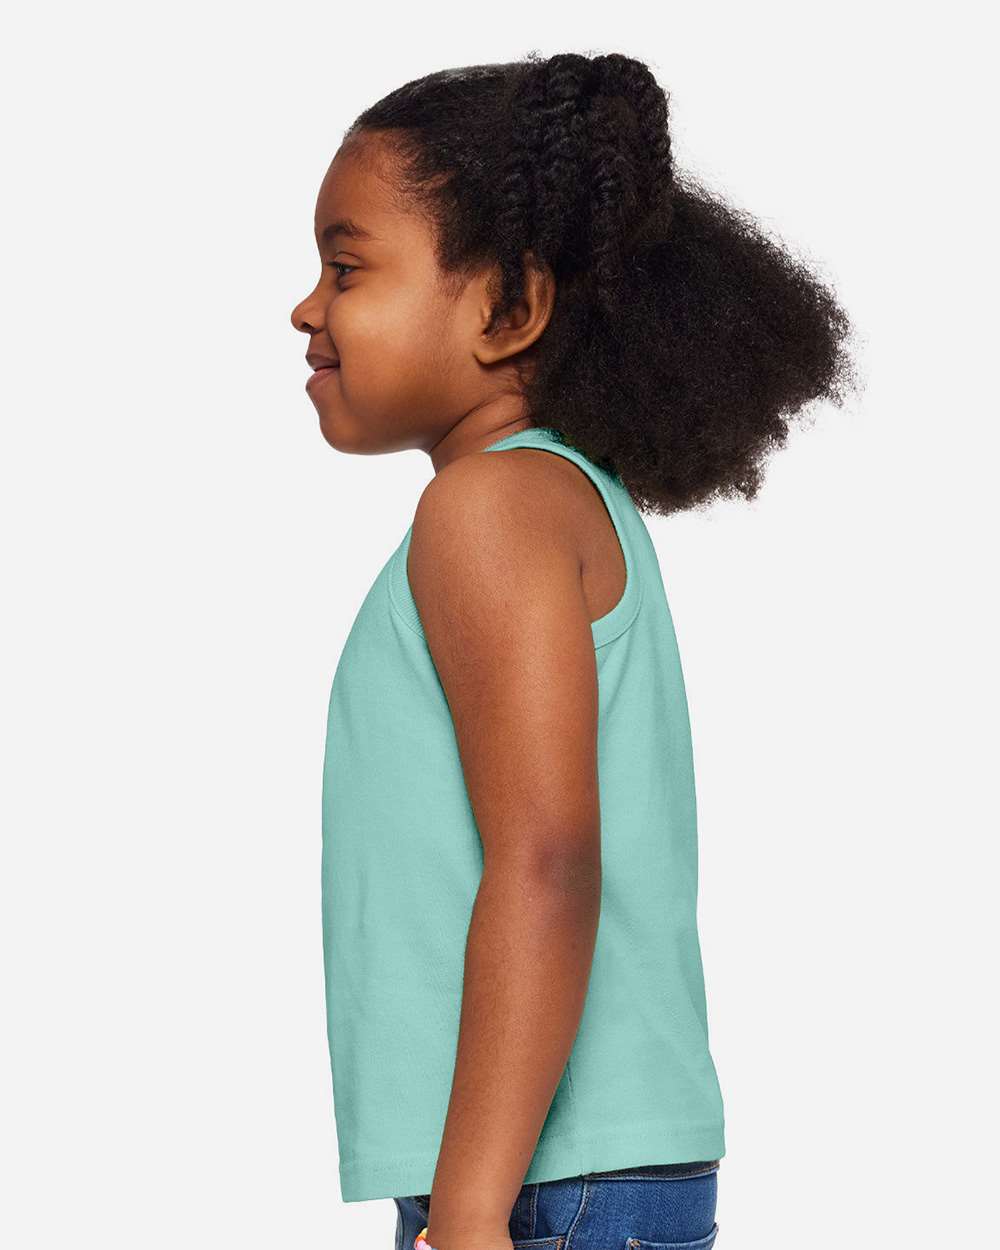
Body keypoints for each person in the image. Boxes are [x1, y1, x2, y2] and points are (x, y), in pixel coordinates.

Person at [290, 51, 857, 1250]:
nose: (306, 308)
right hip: (561, 1178)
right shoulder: (551, 497)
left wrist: (470, 1208)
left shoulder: (488, 509)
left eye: (346, 268)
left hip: (539, 1188)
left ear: (510, 308)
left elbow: (546, 858)